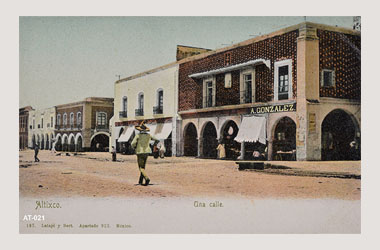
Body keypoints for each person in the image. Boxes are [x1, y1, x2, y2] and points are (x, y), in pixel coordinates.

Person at [131, 121, 159, 186]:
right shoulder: (148, 135)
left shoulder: (138, 135)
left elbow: (132, 143)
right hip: (147, 152)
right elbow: (157, 140)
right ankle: (140, 181)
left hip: (139, 152)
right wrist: (154, 145)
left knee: (140, 167)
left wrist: (134, 147)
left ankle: (146, 178)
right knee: (143, 166)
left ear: (140, 130)